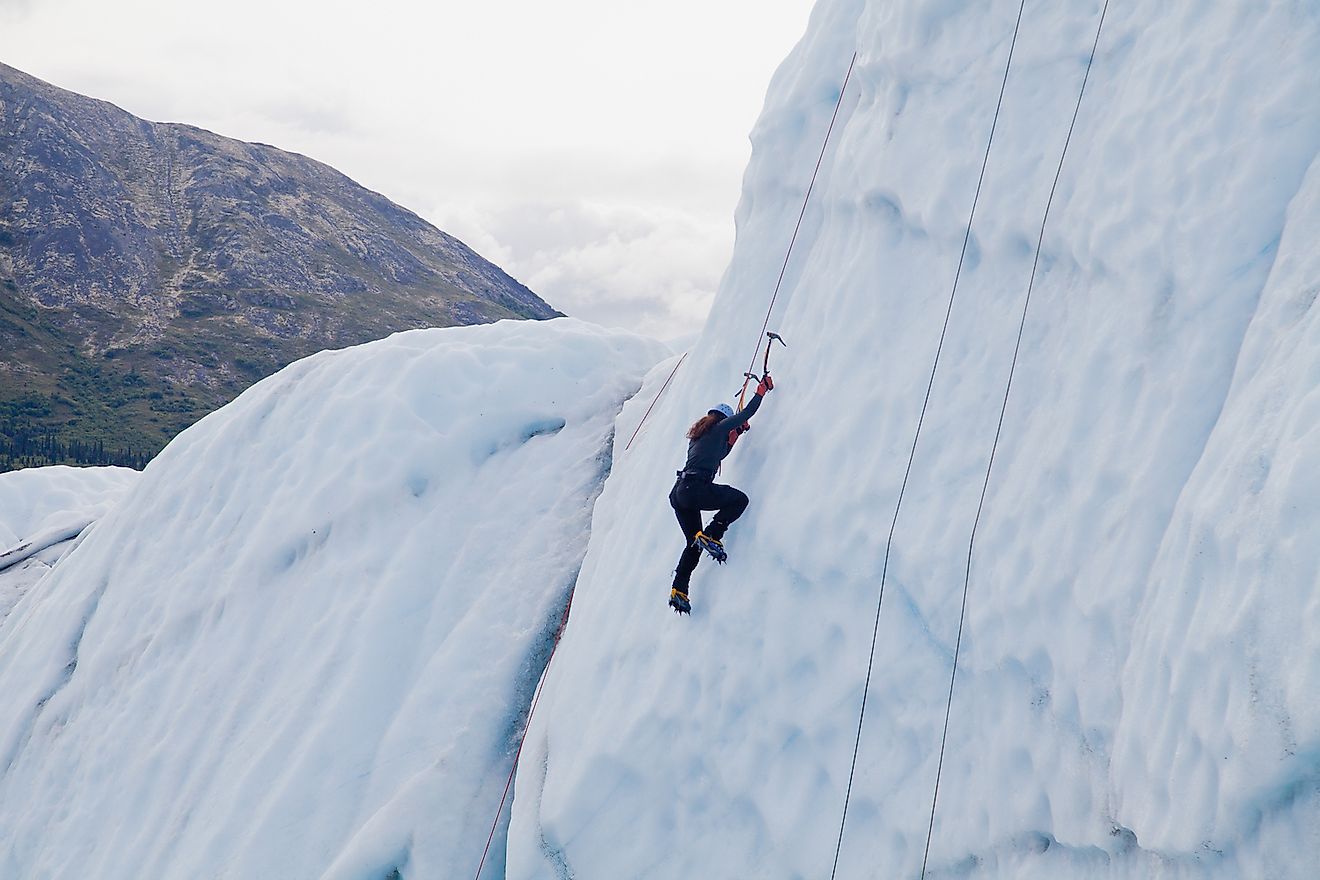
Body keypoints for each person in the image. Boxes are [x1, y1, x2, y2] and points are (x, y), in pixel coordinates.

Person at [668, 373, 774, 614]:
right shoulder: (719, 427)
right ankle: (713, 534)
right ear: (724, 419)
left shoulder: (698, 437)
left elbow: (721, 453)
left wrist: (736, 435)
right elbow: (745, 414)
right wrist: (761, 391)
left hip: (679, 493)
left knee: (692, 543)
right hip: (696, 489)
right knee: (739, 500)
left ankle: (679, 589)